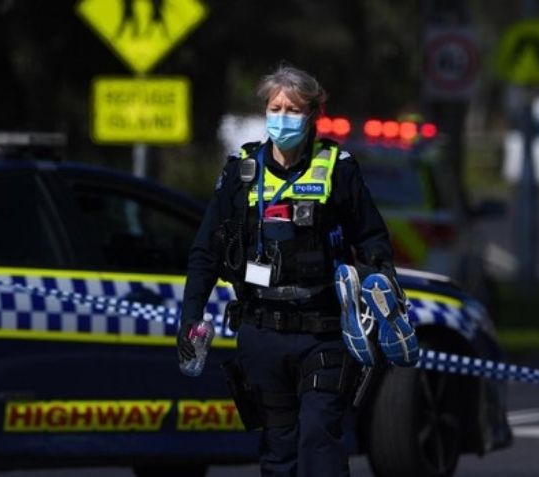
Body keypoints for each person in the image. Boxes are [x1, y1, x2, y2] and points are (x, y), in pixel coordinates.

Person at [177, 65, 417, 477]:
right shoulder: (240, 171)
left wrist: (379, 278)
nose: (282, 118)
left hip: (324, 331)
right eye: (275, 108)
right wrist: (190, 316)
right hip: (260, 330)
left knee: (319, 438)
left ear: (313, 114)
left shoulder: (338, 168)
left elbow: (372, 236)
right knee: (278, 448)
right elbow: (205, 251)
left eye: (293, 109)